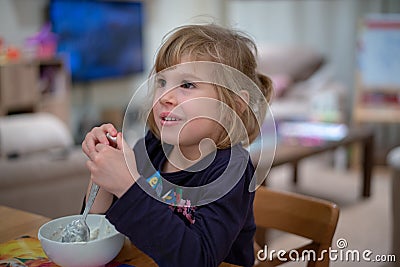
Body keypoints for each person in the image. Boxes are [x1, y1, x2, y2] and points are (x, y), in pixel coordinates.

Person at [82, 23, 273, 267]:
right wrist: (102, 169)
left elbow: (198, 260)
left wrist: (129, 187)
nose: (164, 97)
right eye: (162, 82)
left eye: (187, 85)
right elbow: (95, 229)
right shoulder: (151, 148)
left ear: (234, 105)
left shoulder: (231, 170)